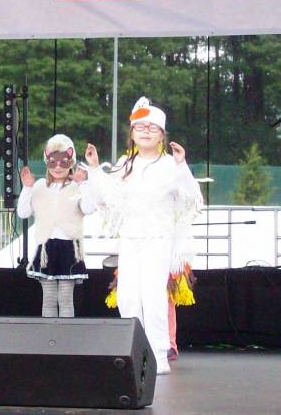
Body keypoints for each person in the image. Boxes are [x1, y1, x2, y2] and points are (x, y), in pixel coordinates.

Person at [84, 97, 202, 375]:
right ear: (132, 133)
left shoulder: (169, 165)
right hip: (131, 238)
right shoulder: (125, 164)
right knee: (127, 296)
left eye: (152, 127)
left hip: (158, 238)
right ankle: (134, 351)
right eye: (140, 127)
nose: (146, 131)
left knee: (152, 295)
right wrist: (94, 168)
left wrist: (182, 166)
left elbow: (191, 197)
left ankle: (159, 354)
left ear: (162, 134)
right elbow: (107, 197)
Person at [17, 134, 96, 318]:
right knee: (49, 298)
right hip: (47, 247)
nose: (58, 167)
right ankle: (49, 333)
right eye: (53, 162)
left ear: (71, 162)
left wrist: (82, 185)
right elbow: (23, 213)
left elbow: (88, 208)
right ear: (47, 161)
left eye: (63, 162)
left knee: (66, 298)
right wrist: (27, 188)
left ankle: (65, 334)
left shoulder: (77, 186)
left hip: (69, 247)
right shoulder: (39, 186)